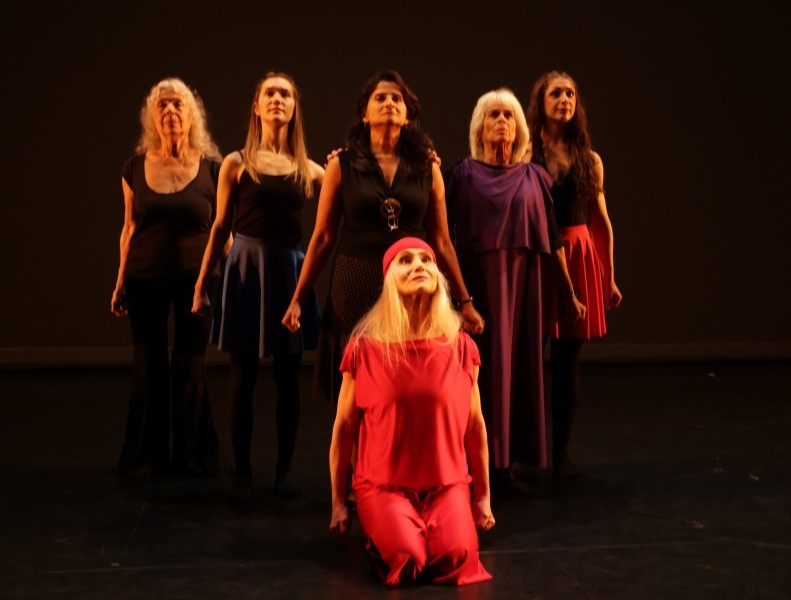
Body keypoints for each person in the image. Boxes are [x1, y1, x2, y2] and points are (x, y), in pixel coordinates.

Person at [282, 70, 484, 406]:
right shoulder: (341, 165)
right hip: (356, 281)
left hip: (412, 286)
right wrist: (298, 298)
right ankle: (360, 459)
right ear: (365, 114)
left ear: (407, 115)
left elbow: (443, 241)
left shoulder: (426, 168)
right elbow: (322, 238)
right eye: (380, 98)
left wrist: (465, 301)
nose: (389, 103)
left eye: (397, 99)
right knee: (356, 387)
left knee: (407, 382)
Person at [329, 237, 494, 586]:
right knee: (406, 558)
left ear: (438, 275)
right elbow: (344, 428)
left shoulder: (461, 346)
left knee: (457, 557)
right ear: (389, 279)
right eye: (405, 260)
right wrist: (338, 501)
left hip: (446, 484)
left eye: (425, 259)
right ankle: (392, 531)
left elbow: (475, 427)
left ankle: (431, 526)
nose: (419, 265)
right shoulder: (366, 347)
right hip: (383, 484)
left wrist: (483, 496)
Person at [445, 88, 585, 489]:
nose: (501, 121)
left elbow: (554, 240)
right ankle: (473, 464)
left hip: (524, 291)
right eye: (493, 115)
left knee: (518, 371)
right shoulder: (462, 175)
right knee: (478, 375)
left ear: (520, 128)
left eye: (508, 115)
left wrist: (569, 292)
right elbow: (443, 236)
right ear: (479, 127)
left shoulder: (535, 177)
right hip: (476, 292)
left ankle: (506, 466)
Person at [192, 72, 324, 500]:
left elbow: (352, 186)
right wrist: (200, 285)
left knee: (288, 379)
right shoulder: (236, 162)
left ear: (293, 107)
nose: (277, 100)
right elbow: (218, 228)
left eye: (285, 93)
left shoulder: (309, 169)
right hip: (247, 270)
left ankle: (284, 471)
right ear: (256, 105)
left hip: (288, 272)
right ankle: (244, 472)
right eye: (270, 93)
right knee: (242, 376)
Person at [111, 78, 225, 478]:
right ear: (152, 116)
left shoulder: (214, 168)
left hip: (197, 282)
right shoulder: (133, 168)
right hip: (144, 278)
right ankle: (147, 456)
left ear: (192, 114)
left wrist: (216, 270)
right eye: (162, 105)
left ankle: (194, 455)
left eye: (178, 104)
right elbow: (129, 228)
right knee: (149, 363)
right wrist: (120, 280)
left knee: (190, 363)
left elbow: (223, 229)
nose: (170, 112)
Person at [527, 71, 622, 477]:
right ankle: (524, 454)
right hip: (539, 256)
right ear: (541, 102)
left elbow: (600, 220)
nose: (564, 98)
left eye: (570, 93)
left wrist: (609, 276)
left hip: (579, 253)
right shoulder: (526, 152)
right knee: (530, 358)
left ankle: (560, 454)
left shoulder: (590, 158)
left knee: (568, 361)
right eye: (555, 93)